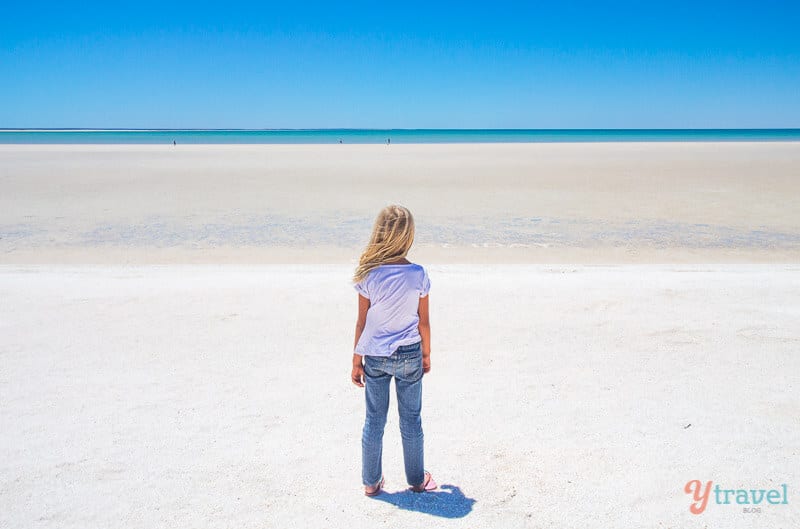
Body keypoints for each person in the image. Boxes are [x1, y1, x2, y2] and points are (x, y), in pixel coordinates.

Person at [351, 205, 436, 496]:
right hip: (410, 352)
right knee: (411, 418)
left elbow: (362, 322)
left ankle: (371, 482)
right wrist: (426, 354)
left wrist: (355, 361)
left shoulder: (369, 275)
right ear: (408, 236)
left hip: (375, 355)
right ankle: (416, 480)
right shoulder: (418, 274)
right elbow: (423, 322)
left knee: (375, 419)